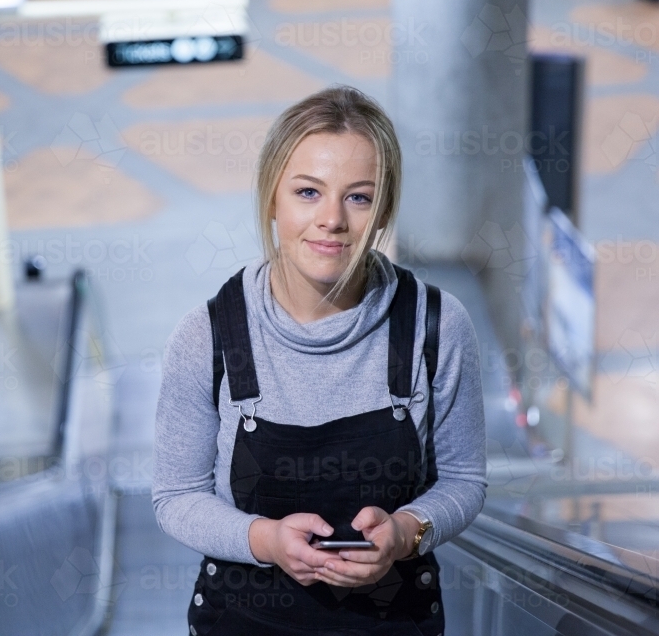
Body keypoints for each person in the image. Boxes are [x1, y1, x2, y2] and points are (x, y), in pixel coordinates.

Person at [152, 86, 487, 635]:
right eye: (308, 192)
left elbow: (464, 480)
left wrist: (405, 532)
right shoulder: (207, 336)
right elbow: (176, 496)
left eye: (358, 197)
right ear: (271, 200)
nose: (331, 219)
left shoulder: (435, 326)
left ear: (382, 211)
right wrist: (266, 540)